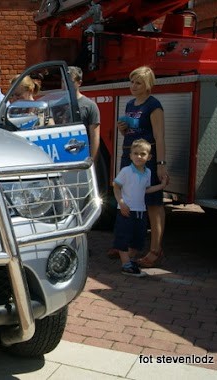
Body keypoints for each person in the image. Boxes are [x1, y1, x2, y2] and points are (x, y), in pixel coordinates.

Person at [115, 66, 168, 268]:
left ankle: (156, 249)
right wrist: (123, 130)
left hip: (147, 161)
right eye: (132, 81)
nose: (133, 86)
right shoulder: (130, 104)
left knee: (153, 203)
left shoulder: (153, 105)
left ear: (147, 85)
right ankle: (130, 246)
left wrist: (161, 164)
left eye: (138, 83)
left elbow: (159, 137)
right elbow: (131, 133)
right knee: (130, 199)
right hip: (129, 157)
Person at [112, 139, 168, 276]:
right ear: (130, 155)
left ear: (149, 157)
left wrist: (161, 186)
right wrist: (121, 203)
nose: (139, 156)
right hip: (126, 211)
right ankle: (126, 265)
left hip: (140, 212)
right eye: (135, 153)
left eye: (142, 154)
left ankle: (130, 261)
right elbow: (116, 187)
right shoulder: (126, 171)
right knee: (123, 237)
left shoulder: (148, 172)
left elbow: (145, 189)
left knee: (138, 239)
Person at [68, 66, 100, 161]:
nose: (65, 85)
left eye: (70, 82)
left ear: (79, 83)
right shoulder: (57, 105)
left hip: (81, 154)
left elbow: (95, 136)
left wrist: (91, 160)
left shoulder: (90, 105)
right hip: (62, 154)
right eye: (63, 81)